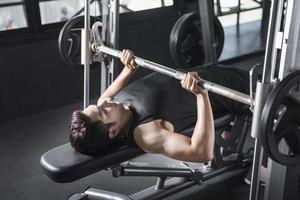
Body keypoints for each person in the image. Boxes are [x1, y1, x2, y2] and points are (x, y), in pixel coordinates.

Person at [69, 49, 249, 162]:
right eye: (102, 110)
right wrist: (201, 95)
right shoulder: (145, 134)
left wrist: (128, 65)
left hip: (205, 72)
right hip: (228, 90)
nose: (105, 101)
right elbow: (201, 152)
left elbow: (117, 83)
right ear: (113, 131)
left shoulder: (108, 105)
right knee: (272, 92)